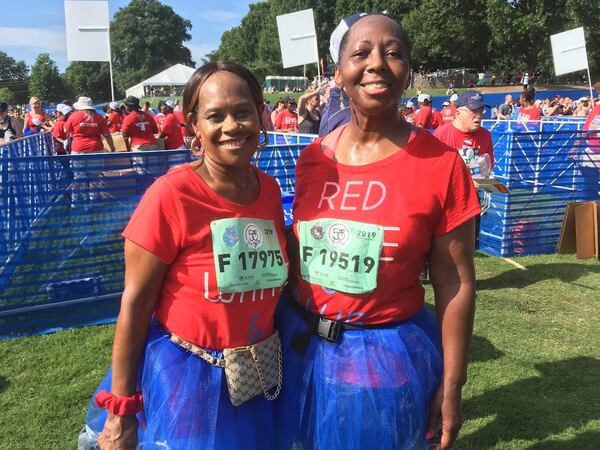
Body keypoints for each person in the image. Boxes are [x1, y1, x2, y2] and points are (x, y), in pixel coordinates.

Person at [276, 13, 479, 450]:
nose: (377, 64)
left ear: (408, 71)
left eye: (393, 53)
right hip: (301, 350)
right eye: (361, 53)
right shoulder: (313, 160)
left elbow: (455, 281)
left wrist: (453, 382)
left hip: (386, 359)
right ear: (338, 73)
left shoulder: (443, 166)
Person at [79, 61, 289, 449]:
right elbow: (136, 304)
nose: (231, 126)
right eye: (215, 116)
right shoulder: (171, 195)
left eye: (242, 112)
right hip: (187, 381)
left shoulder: (271, 191)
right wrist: (121, 410)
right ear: (194, 126)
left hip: (256, 377)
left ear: (260, 114)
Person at [63, 96, 115, 205]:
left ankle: (75, 201)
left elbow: (65, 130)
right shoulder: (99, 117)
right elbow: (107, 135)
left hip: (78, 149)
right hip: (96, 149)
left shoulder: (74, 116)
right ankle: (93, 202)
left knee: (78, 177)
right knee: (94, 177)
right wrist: (112, 148)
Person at [121, 95, 159, 176]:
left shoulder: (128, 118)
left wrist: (133, 132)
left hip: (139, 147)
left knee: (140, 173)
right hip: (152, 145)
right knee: (154, 173)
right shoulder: (148, 116)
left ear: (130, 106)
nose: (125, 107)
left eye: (126, 105)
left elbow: (124, 134)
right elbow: (155, 131)